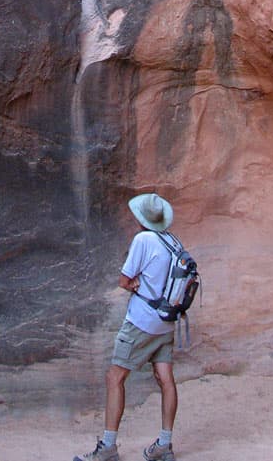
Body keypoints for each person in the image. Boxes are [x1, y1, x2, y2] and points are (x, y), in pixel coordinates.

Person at [74, 192, 181, 461]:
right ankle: (164, 445)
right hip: (166, 323)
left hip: (142, 321)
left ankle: (108, 447)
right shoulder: (172, 241)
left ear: (141, 218)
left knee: (115, 377)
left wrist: (135, 285)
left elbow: (124, 280)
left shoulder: (143, 240)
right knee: (166, 380)